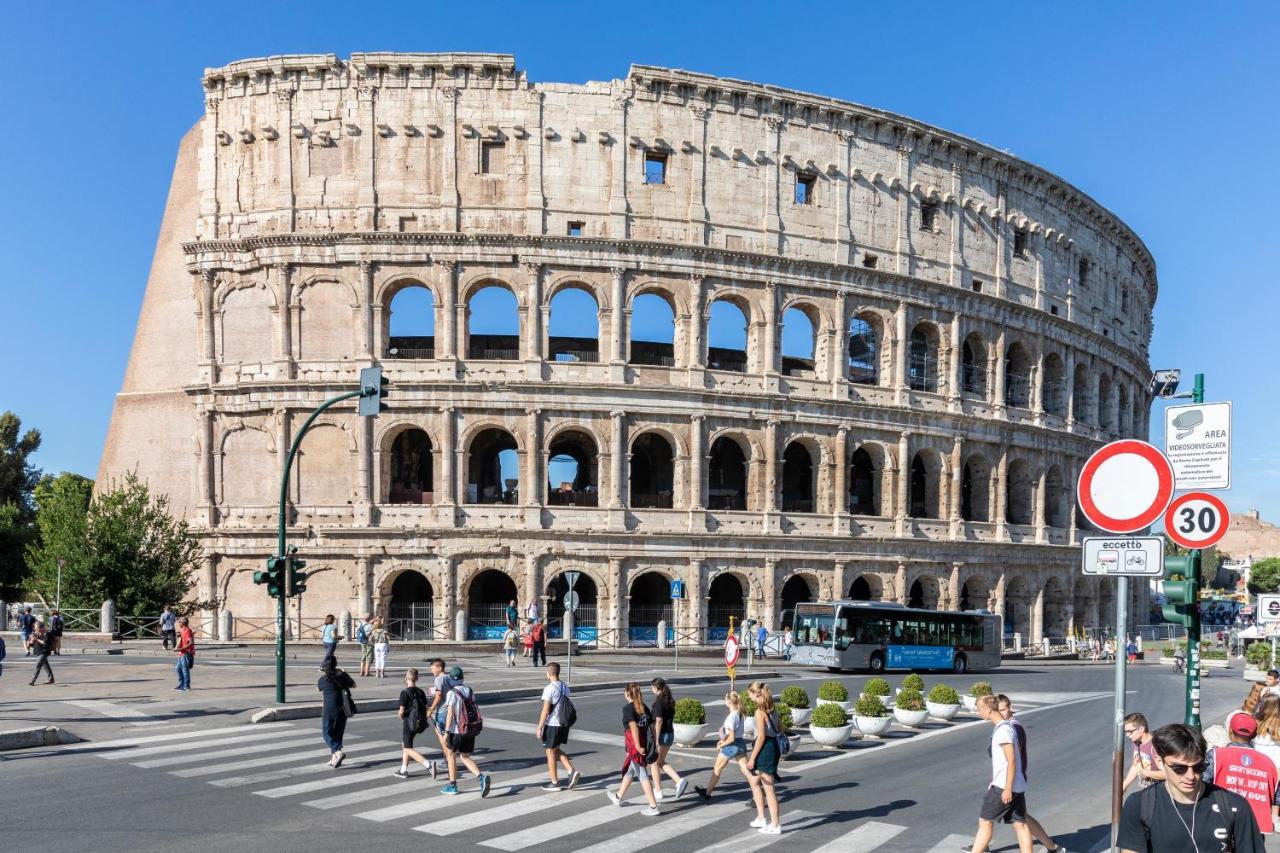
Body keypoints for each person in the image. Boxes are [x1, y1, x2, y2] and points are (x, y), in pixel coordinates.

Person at [1118, 723, 1265, 853]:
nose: (1190, 776)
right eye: (1179, 768)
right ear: (1159, 761)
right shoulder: (1139, 805)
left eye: (1198, 767)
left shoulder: (1235, 805)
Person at [966, 694, 1033, 853]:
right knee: (1021, 825)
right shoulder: (1007, 726)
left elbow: (1012, 761)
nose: (978, 713)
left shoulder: (1003, 731)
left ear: (988, 709)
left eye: (979, 709)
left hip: (1003, 787)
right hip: (1016, 785)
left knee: (985, 822)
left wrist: (1007, 788)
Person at [1204, 712, 1280, 834]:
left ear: (1230, 731)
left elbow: (1202, 782)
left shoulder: (1216, 755)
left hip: (1220, 820)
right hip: (1255, 827)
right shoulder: (1268, 763)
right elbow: (1277, 797)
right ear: (1254, 734)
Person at [695, 690, 764, 811]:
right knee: (746, 771)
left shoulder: (731, 717)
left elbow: (731, 738)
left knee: (717, 768)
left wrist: (721, 744)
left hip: (731, 745)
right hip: (740, 743)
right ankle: (758, 794)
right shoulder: (740, 713)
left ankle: (707, 794)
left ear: (728, 701)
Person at [605, 682, 660, 815]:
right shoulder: (644, 708)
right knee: (630, 771)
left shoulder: (628, 709)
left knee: (642, 775)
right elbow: (652, 727)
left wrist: (637, 746)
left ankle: (653, 807)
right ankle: (618, 797)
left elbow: (633, 727)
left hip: (636, 745)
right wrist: (656, 743)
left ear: (628, 693)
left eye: (625, 691)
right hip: (643, 743)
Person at [440, 666, 491, 796]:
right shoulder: (469, 690)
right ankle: (481, 778)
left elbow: (450, 714)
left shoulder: (452, 693)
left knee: (451, 755)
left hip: (456, 730)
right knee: (465, 756)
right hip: (469, 728)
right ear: (462, 678)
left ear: (451, 680)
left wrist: (446, 732)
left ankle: (453, 785)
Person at [536, 661, 581, 791]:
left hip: (553, 724)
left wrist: (539, 727)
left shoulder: (549, 688)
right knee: (555, 750)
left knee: (550, 752)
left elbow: (545, 710)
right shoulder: (565, 686)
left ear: (548, 674)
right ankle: (571, 771)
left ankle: (554, 783)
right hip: (563, 724)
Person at [745, 682, 783, 835]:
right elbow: (781, 730)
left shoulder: (760, 712)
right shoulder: (773, 710)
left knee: (769, 789)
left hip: (764, 749)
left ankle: (775, 825)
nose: (749, 697)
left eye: (750, 694)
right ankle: (762, 818)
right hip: (773, 746)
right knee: (756, 781)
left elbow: (760, 737)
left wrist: (752, 758)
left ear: (756, 694)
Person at [648, 678, 687, 800]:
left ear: (656, 688)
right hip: (670, 734)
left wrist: (656, 739)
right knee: (660, 762)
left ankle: (658, 791)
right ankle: (679, 781)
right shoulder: (670, 700)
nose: (651, 689)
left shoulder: (659, 702)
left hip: (662, 735)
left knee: (654, 763)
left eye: (652, 687)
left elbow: (658, 721)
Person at [395, 667, 435, 778]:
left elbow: (401, 712)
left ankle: (428, 764)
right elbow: (427, 708)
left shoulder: (404, 693)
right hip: (419, 723)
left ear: (405, 678)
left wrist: (401, 716)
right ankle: (403, 770)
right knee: (406, 744)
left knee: (408, 748)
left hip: (408, 722)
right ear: (417, 678)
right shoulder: (421, 692)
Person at [317, 657, 355, 768]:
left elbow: (318, 689)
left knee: (327, 733)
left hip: (329, 710)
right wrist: (342, 673)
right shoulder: (342, 677)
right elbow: (354, 685)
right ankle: (334, 758)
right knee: (338, 734)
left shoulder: (323, 680)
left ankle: (338, 753)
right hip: (343, 709)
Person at [1123, 713, 1165, 792]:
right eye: (1126, 732)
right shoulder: (1136, 743)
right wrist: (1124, 786)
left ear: (1142, 729)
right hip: (1146, 790)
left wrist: (1146, 773)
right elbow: (1136, 766)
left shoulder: (1155, 746)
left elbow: (1167, 774)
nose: (1127, 735)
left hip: (1160, 790)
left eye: (1130, 731)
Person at [1253, 694, 1280, 768]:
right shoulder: (1256, 719)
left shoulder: (1256, 721)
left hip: (1258, 765)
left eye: (1262, 703)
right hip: (1275, 767)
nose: (1260, 705)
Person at [28, 620, 54, 686]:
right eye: (35, 628)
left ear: (42, 628)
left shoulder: (47, 634)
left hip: (44, 651)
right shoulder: (35, 633)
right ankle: (51, 679)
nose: (35, 629)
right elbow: (31, 645)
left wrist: (36, 639)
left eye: (36, 628)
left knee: (38, 665)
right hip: (37, 651)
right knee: (46, 666)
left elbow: (46, 643)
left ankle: (32, 680)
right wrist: (31, 640)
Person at [174, 616, 195, 691]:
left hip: (186, 653)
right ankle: (182, 684)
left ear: (183, 623)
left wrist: (180, 649)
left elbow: (190, 642)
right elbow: (182, 640)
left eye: (179, 622)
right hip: (182, 653)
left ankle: (186, 686)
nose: (178, 623)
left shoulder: (187, 631)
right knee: (178, 668)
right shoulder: (182, 630)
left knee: (185, 669)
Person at [355, 613, 374, 678]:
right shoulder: (369, 626)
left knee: (363, 656)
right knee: (369, 657)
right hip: (369, 643)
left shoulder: (360, 624)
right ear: (369, 619)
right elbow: (368, 634)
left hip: (362, 642)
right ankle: (366, 672)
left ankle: (361, 672)